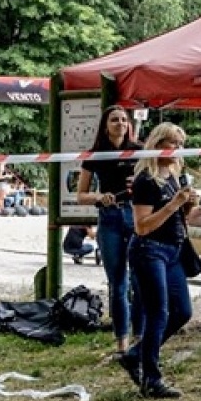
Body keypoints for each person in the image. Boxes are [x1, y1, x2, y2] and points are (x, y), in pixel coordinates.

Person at [119, 123, 197, 399]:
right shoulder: (145, 181)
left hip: (173, 249)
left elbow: (178, 217)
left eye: (180, 143)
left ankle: (136, 355)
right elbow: (142, 226)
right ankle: (151, 377)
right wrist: (173, 205)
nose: (177, 149)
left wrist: (187, 207)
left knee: (183, 311)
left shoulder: (174, 176)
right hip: (149, 249)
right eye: (172, 143)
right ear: (157, 144)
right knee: (158, 312)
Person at [75, 105, 143, 354]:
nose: (120, 123)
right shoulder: (95, 154)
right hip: (110, 218)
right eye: (115, 120)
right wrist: (98, 196)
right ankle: (122, 342)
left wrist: (139, 182)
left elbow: (156, 180)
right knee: (118, 282)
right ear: (105, 125)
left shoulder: (140, 151)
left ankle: (140, 338)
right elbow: (80, 195)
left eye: (124, 120)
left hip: (136, 216)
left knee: (139, 279)